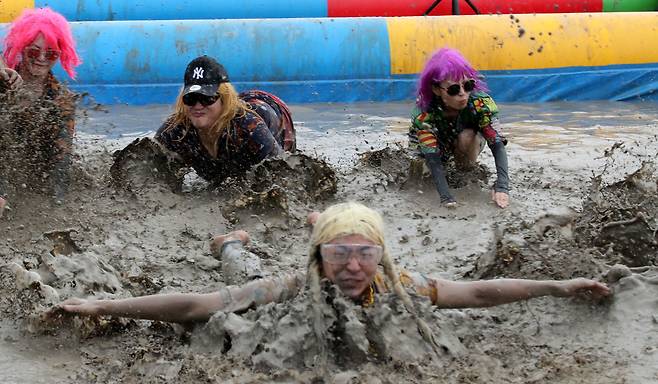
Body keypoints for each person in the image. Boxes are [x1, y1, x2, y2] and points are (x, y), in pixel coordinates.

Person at [55, 201, 610, 353]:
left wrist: (558, 287)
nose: (351, 267)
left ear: (381, 259)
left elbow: (481, 292)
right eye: (339, 254)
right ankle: (230, 240)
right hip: (263, 279)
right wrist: (105, 305)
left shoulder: (399, 285)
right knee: (243, 272)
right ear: (319, 258)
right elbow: (199, 306)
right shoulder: (295, 285)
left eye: (364, 255)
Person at [154, 55, 296, 182]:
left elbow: (286, 178)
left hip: (273, 112)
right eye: (190, 98)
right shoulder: (175, 131)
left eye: (207, 98)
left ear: (224, 99)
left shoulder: (250, 130)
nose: (197, 106)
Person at [0, 7, 81, 212]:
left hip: (32, 176)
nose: (41, 58)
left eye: (51, 53)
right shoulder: (4, 78)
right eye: (34, 51)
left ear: (60, 55)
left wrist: (57, 205)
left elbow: (61, 160)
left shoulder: (61, 100)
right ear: (22, 47)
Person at [409, 48, 510, 208]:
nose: (462, 94)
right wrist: (446, 197)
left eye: (468, 85)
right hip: (432, 145)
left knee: (466, 137)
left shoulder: (480, 104)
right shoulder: (424, 114)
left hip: (466, 139)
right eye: (454, 89)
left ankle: (464, 173)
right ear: (436, 90)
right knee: (419, 172)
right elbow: (432, 160)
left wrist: (503, 186)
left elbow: (497, 144)